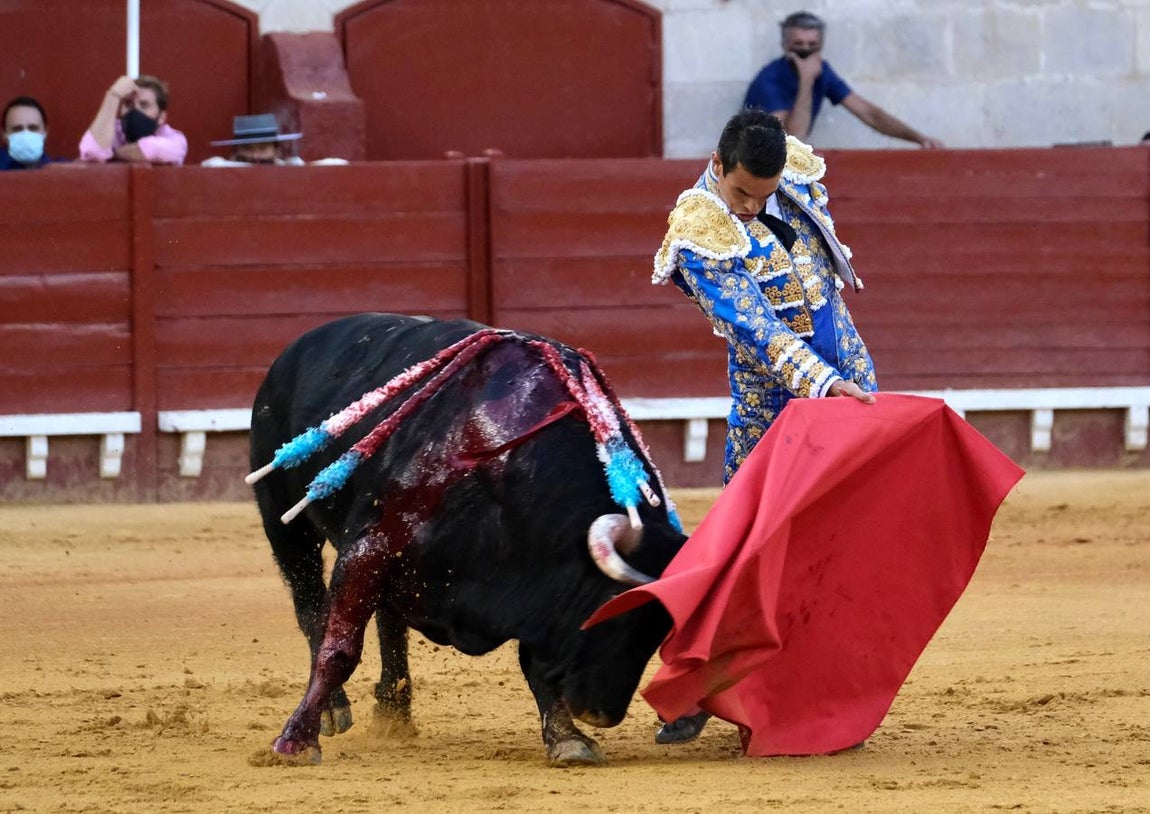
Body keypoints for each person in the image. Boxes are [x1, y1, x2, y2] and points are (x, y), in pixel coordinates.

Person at [650, 108, 878, 744]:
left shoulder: (792, 178)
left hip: (847, 390)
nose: (750, 206)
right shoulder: (699, 229)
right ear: (717, 166)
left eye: (764, 193)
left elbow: (827, 296)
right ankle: (697, 688)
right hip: (773, 411)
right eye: (741, 192)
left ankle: (815, 692)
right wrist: (827, 385)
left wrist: (854, 387)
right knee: (749, 552)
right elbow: (758, 330)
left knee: (836, 548)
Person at [744, 10, 943, 149]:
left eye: (812, 44)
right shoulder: (770, 79)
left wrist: (918, 138)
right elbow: (792, 138)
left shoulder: (822, 72)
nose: (805, 49)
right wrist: (806, 81)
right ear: (785, 44)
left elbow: (868, 113)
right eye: (798, 43)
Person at [79, 75, 187, 165]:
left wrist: (111, 154)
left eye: (144, 105)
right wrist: (113, 95)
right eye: (128, 104)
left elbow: (153, 149)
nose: (135, 110)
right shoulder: (113, 130)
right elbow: (92, 152)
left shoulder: (174, 139)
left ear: (161, 117)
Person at [1, 96, 65, 170]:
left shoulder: (60, 170)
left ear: (45, 132)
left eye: (33, 128)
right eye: (17, 129)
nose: (25, 135)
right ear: (4, 135)